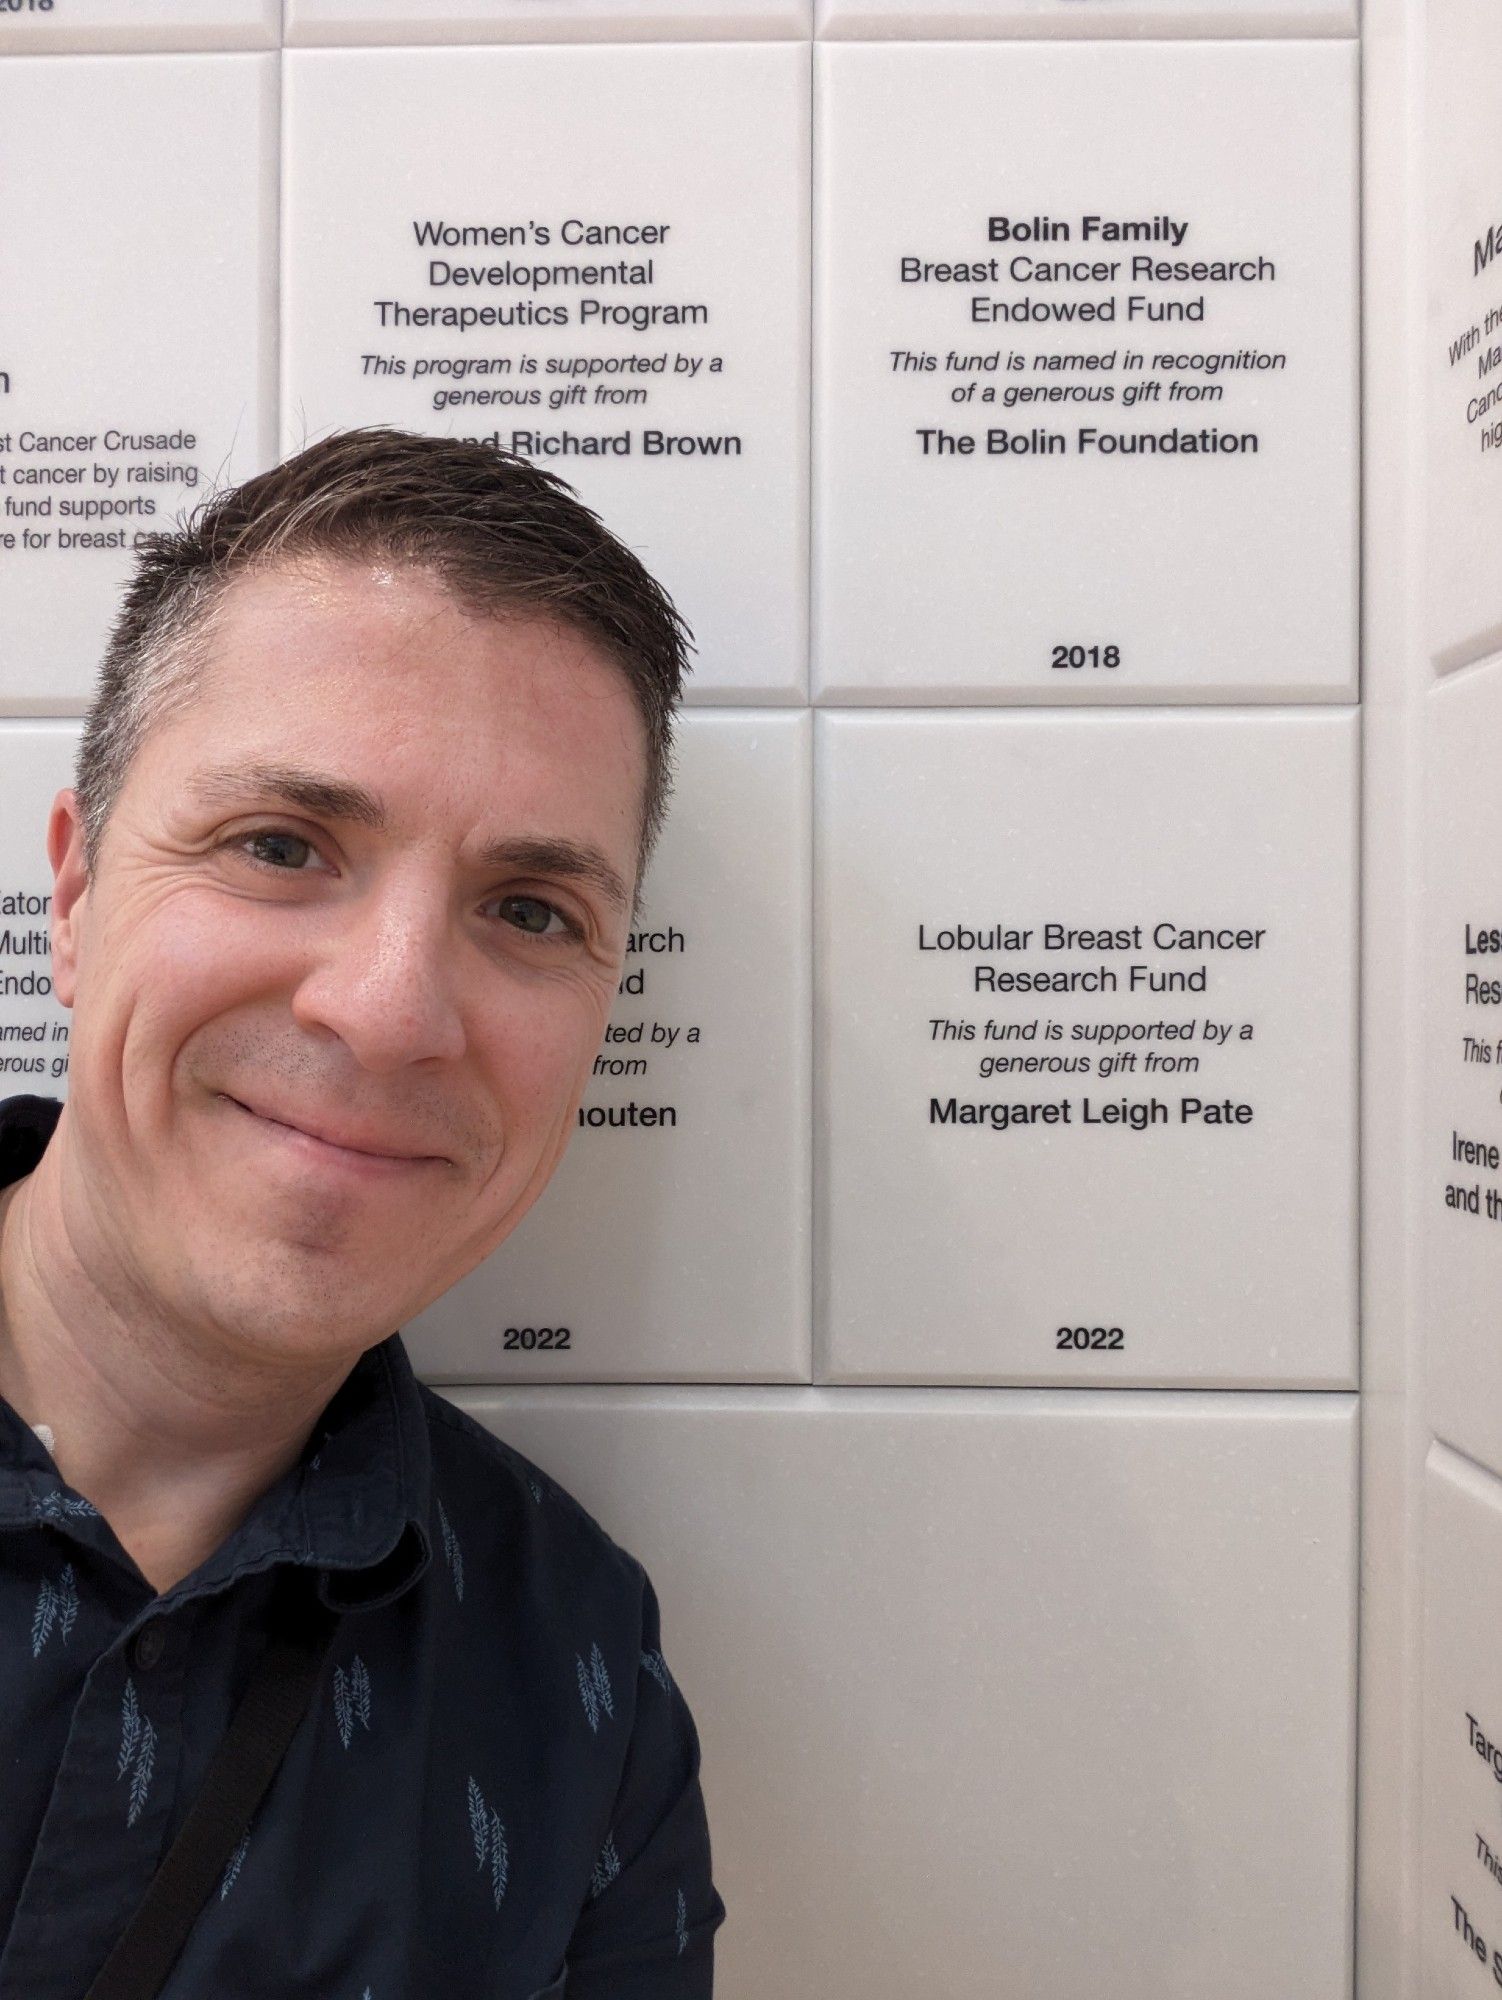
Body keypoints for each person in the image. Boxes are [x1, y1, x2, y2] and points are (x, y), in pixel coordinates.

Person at [0, 427, 726, 1998]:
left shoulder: (577, 1687)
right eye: (280, 845)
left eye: (529, 911)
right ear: (70, 901)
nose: (393, 1012)